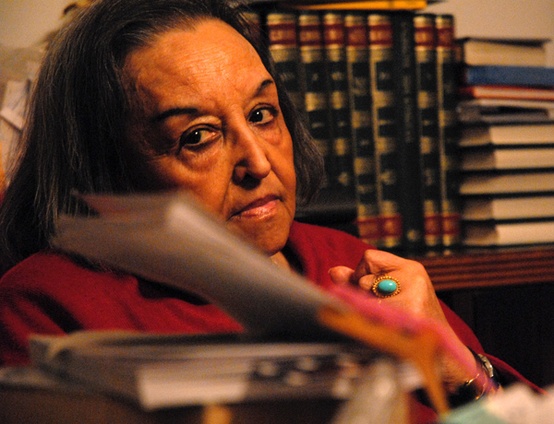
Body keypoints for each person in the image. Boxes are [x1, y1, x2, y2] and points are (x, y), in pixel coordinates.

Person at [0, 0, 539, 421]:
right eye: (198, 136)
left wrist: (459, 370)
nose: (258, 162)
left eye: (262, 114)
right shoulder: (45, 307)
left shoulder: (353, 263)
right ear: (108, 166)